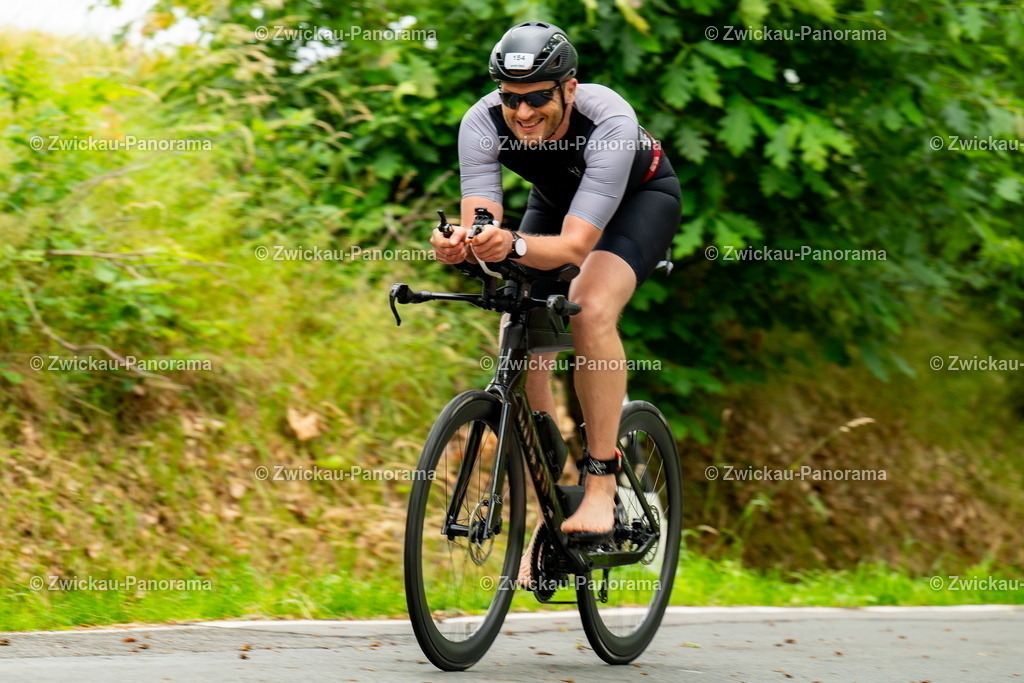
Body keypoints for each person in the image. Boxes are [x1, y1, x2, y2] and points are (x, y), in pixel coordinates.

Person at [429, 21, 681, 586]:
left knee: (588, 306)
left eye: (538, 98)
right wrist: (461, 244)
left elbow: (573, 247)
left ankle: (601, 483)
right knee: (519, 332)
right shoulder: (481, 121)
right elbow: (482, 220)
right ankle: (555, 498)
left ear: (569, 88)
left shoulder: (608, 120)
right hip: (554, 203)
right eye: (511, 99)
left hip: (639, 205)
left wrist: (514, 243)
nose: (522, 113)